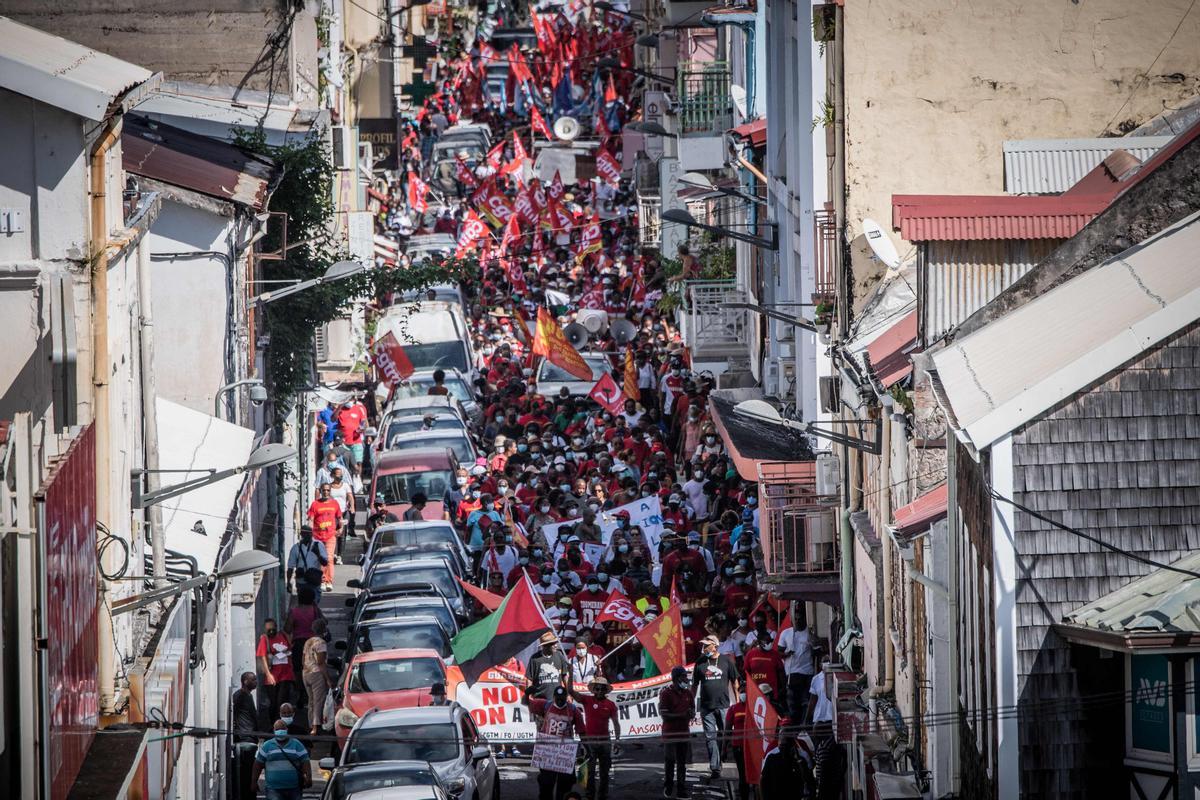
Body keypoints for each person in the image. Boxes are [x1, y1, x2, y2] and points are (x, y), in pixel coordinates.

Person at [522, 685, 585, 800]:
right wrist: (526, 694)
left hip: (565, 753)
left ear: (566, 697)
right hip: (548, 752)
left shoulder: (574, 710)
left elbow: (582, 731)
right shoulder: (545, 705)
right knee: (546, 784)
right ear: (554, 697)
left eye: (562, 698)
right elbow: (525, 703)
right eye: (558, 698)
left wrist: (586, 749)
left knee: (565, 785)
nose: (560, 701)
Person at [692, 635, 737, 779]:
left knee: (725, 735)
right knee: (710, 737)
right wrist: (691, 704)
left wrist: (737, 703)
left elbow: (735, 682)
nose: (704, 648)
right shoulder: (700, 662)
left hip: (724, 706)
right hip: (706, 707)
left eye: (706, 645)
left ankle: (723, 756)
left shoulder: (726, 661)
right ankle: (715, 767)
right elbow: (694, 686)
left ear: (715, 646)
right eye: (703, 645)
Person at [570, 677, 620, 800]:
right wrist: (570, 673)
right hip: (589, 742)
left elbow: (616, 724)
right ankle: (589, 795)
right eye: (597, 688)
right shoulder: (587, 700)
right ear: (593, 690)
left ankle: (603, 795)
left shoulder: (611, 705)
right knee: (589, 772)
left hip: (605, 742)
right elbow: (570, 691)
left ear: (605, 690)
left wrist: (617, 741)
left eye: (602, 688)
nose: (599, 691)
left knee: (604, 772)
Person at [251, 718, 312, 800]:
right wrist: (254, 782)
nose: (280, 731)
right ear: (274, 731)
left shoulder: (296, 744)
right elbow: (258, 764)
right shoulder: (267, 746)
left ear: (287, 729)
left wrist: (308, 777)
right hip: (273, 789)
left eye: (282, 729)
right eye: (277, 729)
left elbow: (305, 761)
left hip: (294, 788)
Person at [283, 585, 323, 707]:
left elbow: (287, 628)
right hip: (314, 644)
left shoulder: (294, 612)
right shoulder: (314, 611)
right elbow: (324, 622)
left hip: (299, 644)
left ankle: (301, 693)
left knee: (298, 670)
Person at [659, 666, 694, 799]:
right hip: (670, 734)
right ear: (676, 678)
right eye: (684, 676)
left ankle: (681, 789)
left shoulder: (688, 693)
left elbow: (691, 710)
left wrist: (690, 714)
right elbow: (664, 715)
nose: (686, 679)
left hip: (684, 733)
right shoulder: (666, 693)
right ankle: (668, 786)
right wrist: (682, 715)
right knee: (670, 760)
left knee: (682, 762)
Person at [779, 609, 816, 722]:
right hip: (792, 674)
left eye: (800, 619)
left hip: (807, 672)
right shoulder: (786, 633)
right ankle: (795, 724)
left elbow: (816, 651)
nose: (798, 621)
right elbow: (779, 651)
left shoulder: (809, 634)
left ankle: (804, 724)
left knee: (805, 701)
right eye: (796, 619)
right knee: (793, 703)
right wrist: (786, 654)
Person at [256, 619, 293, 726]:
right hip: (273, 675)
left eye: (273, 629)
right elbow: (262, 656)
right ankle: (274, 724)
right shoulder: (265, 639)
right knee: (274, 703)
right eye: (268, 630)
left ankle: (284, 724)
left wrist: (285, 652)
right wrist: (268, 674)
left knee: (283, 700)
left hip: (285, 673)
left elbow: (289, 648)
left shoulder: (282, 635)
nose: (271, 632)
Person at [305, 484, 342, 590]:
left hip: (330, 536)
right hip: (317, 537)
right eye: (324, 490)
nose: (326, 492)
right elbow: (311, 520)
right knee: (321, 558)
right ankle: (322, 580)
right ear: (321, 491)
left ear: (330, 491)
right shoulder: (315, 504)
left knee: (329, 558)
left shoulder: (335, 504)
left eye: (328, 490)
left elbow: (339, 518)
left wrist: (341, 528)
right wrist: (309, 532)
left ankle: (329, 581)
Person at [759, 730, 811, 800]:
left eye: (786, 745)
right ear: (778, 744)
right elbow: (763, 781)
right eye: (782, 745)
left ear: (792, 745)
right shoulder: (771, 758)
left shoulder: (799, 760)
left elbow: (807, 779)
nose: (783, 748)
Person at [231, 672, 259, 800]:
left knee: (249, 769)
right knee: (246, 771)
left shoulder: (247, 696)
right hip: (245, 738)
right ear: (245, 681)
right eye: (253, 679)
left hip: (249, 737)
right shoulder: (241, 696)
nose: (256, 682)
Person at [303, 618, 331, 736]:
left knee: (311, 701)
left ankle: (311, 725)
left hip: (306, 673)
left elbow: (303, 660)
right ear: (323, 629)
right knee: (318, 701)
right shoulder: (321, 643)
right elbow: (321, 663)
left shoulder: (308, 641)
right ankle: (316, 728)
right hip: (316, 673)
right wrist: (328, 679)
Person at [723, 686, 751, 800]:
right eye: (741, 692)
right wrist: (723, 749)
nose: (743, 694)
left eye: (745, 691)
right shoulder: (733, 709)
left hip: (752, 747)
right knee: (743, 775)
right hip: (738, 747)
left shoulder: (755, 706)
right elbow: (728, 730)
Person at [286, 526, 328, 601]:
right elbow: (290, 567)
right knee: (303, 604)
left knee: (314, 603)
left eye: (309, 533)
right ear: (301, 534)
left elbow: (325, 563)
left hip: (314, 580)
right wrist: (288, 582)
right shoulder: (296, 548)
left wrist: (318, 554)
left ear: (312, 534)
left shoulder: (318, 545)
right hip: (301, 581)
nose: (308, 536)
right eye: (305, 534)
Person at [527, 632, 571, 700]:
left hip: (557, 698)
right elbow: (529, 679)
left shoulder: (559, 655)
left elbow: (565, 676)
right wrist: (529, 694)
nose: (556, 645)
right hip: (539, 699)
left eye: (556, 643)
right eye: (553, 644)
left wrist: (568, 694)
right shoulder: (535, 658)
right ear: (545, 646)